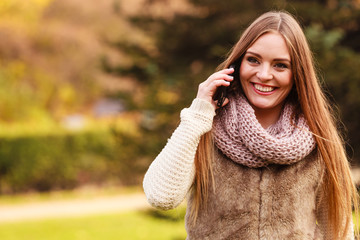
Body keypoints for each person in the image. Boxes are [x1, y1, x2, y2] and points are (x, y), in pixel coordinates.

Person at [143, 10, 359, 239]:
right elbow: (161, 196)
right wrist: (198, 114)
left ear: (298, 74)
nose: (264, 74)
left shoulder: (318, 138)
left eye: (280, 65)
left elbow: (339, 232)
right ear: (238, 64)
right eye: (253, 60)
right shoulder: (206, 128)